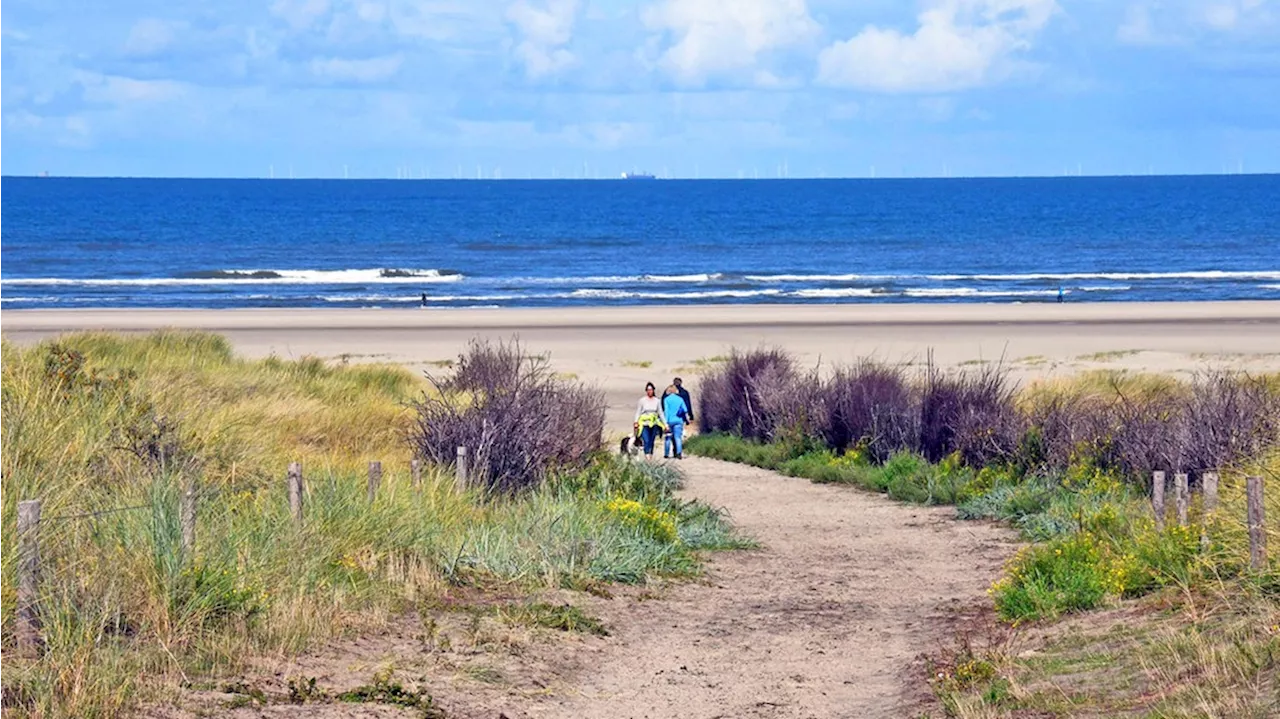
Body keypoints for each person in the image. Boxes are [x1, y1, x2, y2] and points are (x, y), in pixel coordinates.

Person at [634, 382, 666, 459]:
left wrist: (665, 424)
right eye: (648, 390)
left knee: (651, 441)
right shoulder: (642, 400)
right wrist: (636, 421)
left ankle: (650, 455)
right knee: (646, 440)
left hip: (654, 423)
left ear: (653, 390)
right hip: (644, 423)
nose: (649, 391)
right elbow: (638, 411)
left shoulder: (657, 401)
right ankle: (647, 456)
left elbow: (660, 413)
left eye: (651, 390)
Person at [662, 384, 689, 459]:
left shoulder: (666, 399)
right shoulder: (680, 399)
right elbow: (685, 409)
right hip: (678, 420)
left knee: (668, 438)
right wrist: (686, 418)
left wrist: (665, 422)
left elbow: (666, 411)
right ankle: (679, 453)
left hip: (670, 420)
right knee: (678, 437)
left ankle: (666, 453)